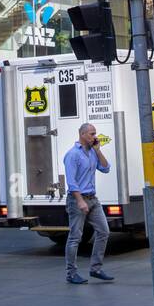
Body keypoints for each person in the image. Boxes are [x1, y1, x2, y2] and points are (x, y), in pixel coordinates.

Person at [63, 122, 113, 285]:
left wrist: (98, 151)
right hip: (78, 199)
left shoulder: (92, 152)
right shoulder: (72, 155)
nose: (95, 137)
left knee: (104, 231)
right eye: (92, 134)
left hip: (93, 199)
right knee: (75, 237)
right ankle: (71, 273)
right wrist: (79, 201)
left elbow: (106, 168)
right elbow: (72, 182)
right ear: (82, 134)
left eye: (95, 133)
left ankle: (95, 268)